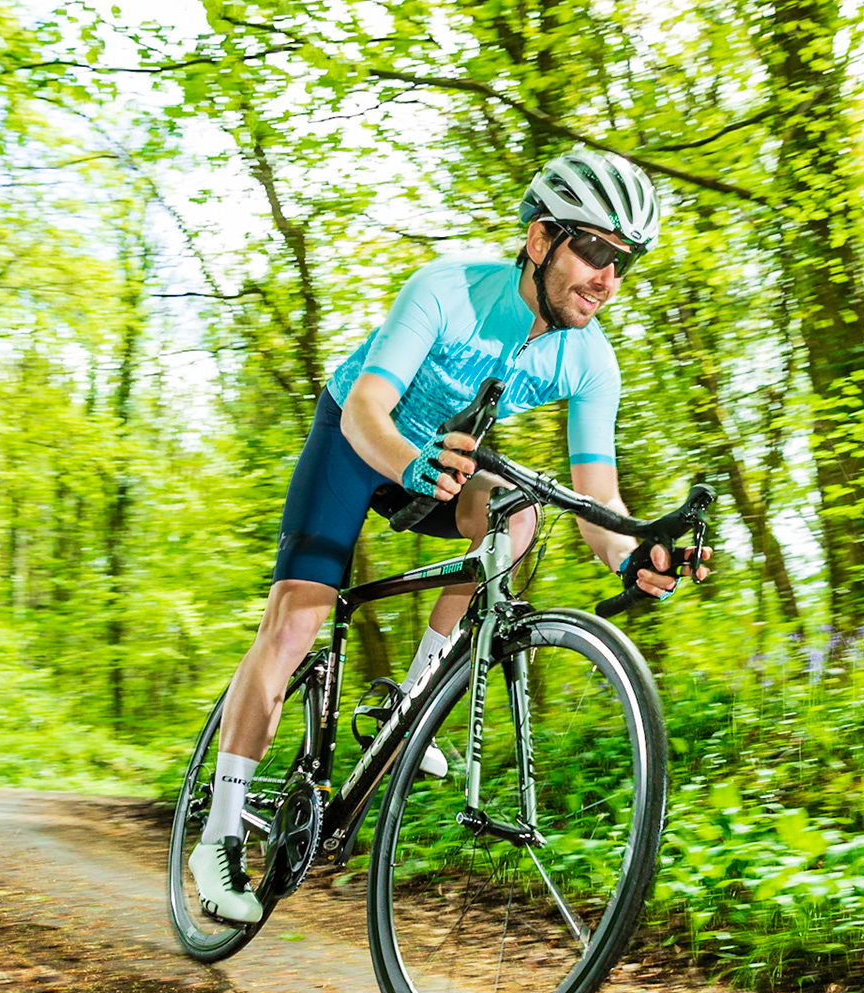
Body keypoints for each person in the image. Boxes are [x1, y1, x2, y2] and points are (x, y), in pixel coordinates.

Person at [192, 148, 707, 923]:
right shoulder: (447, 291)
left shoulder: (592, 359)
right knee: (299, 618)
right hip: (358, 442)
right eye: (595, 251)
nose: (608, 279)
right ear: (540, 241)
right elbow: (369, 407)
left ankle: (414, 698)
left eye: (623, 263)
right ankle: (221, 833)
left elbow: (598, 497)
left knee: (518, 511)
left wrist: (638, 553)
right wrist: (411, 462)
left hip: (446, 462)